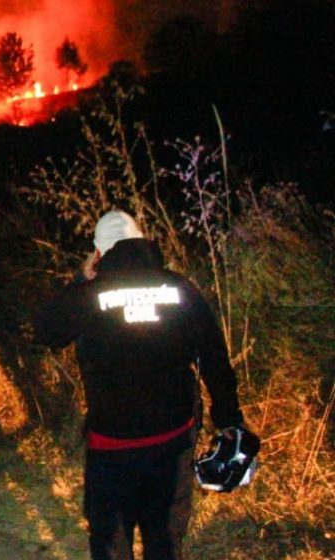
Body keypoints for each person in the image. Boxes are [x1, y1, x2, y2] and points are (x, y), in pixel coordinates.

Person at [33, 210, 250, 560]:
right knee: (164, 541)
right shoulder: (179, 289)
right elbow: (214, 358)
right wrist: (228, 420)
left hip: (111, 445)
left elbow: (46, 330)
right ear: (141, 240)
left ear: (100, 253)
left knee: (111, 543)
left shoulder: (90, 294)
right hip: (172, 441)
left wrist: (79, 279)